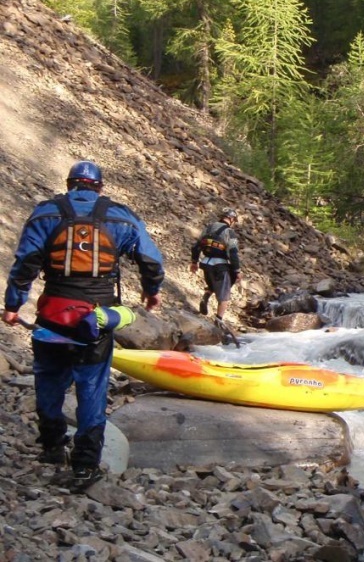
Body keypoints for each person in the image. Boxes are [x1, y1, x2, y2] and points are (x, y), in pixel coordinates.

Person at [2, 160, 164, 491]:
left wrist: (13, 305)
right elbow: (151, 260)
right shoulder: (120, 215)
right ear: (99, 188)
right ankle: (85, 466)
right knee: (91, 387)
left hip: (52, 315)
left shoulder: (46, 212)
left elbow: (26, 263)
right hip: (96, 318)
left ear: (69, 184)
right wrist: (151, 292)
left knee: (49, 380)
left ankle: (51, 447)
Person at [190, 207, 242, 324]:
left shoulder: (208, 228)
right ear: (231, 219)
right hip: (220, 266)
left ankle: (206, 295)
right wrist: (237, 271)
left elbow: (196, 247)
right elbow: (233, 252)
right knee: (224, 295)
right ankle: (218, 321)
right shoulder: (229, 232)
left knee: (212, 284)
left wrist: (194, 262)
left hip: (206, 264)